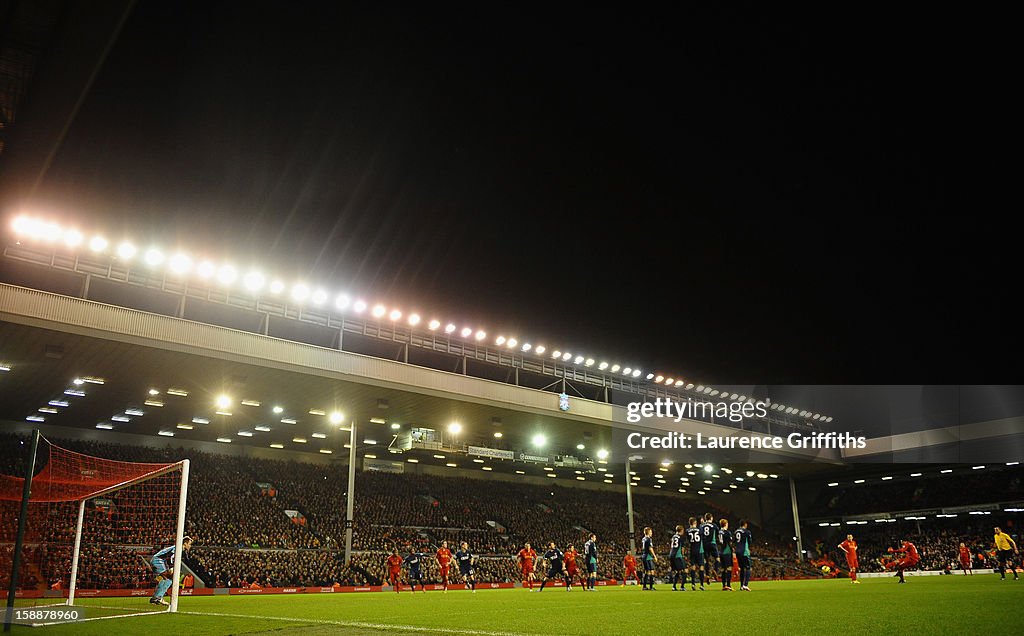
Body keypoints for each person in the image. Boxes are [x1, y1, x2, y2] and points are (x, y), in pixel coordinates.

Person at [150, 536, 193, 606]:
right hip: (158, 560)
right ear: (185, 543)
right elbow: (170, 557)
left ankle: (156, 597)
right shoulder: (178, 548)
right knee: (170, 578)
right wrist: (172, 568)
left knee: (166, 579)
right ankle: (158, 597)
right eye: (189, 544)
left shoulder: (177, 548)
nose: (190, 546)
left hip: (157, 560)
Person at [685, 517, 704, 591]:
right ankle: (702, 585)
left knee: (693, 567)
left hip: (692, 550)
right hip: (699, 550)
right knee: (701, 567)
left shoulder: (687, 531)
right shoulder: (699, 529)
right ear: (695, 523)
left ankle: (693, 584)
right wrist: (702, 523)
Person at [734, 520, 753, 591]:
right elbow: (750, 541)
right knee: (748, 567)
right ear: (745, 524)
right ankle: (745, 585)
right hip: (744, 551)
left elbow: (734, 541)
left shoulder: (736, 532)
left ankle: (741, 585)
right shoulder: (747, 532)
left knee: (742, 568)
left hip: (737, 552)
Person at [700, 513, 718, 582]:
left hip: (704, 544)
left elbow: (700, 533)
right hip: (712, 543)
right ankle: (715, 570)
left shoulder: (702, 525)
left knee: (706, 560)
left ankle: (707, 575)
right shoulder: (714, 525)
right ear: (711, 518)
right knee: (717, 559)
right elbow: (717, 532)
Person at [717, 519, 734, 591]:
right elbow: (730, 542)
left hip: (721, 551)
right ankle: (729, 585)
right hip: (727, 552)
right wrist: (732, 550)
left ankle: (724, 585)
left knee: (723, 569)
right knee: (729, 568)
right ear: (725, 524)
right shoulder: (727, 532)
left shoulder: (719, 532)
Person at [668, 524, 686, 591]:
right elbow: (682, 548)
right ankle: (682, 587)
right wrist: (683, 555)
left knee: (677, 572)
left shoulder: (673, 537)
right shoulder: (681, 537)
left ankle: (674, 586)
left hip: (671, 555)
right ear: (681, 530)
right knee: (685, 571)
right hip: (677, 556)